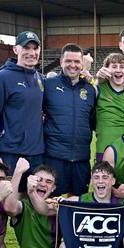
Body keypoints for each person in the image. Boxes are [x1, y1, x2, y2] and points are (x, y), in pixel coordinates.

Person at [0, 31, 44, 184]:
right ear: (16, 50)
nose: (31, 53)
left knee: (31, 202)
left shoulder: (39, 78)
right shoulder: (2, 78)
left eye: (35, 48)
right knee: (7, 202)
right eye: (26, 48)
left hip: (36, 154)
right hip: (10, 153)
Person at [43, 43, 97, 196]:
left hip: (81, 159)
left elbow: (92, 121)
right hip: (55, 158)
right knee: (52, 205)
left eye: (77, 61)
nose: (72, 65)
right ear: (61, 62)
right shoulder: (48, 86)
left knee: (77, 206)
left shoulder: (89, 90)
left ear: (82, 64)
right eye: (68, 61)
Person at [94, 53, 124, 161]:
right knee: (104, 177)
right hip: (103, 148)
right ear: (106, 70)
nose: (118, 70)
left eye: (122, 67)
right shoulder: (97, 90)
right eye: (114, 67)